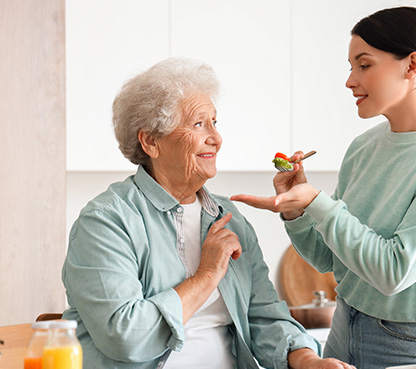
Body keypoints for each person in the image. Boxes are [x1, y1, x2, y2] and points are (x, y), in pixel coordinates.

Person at [231, 6, 416, 369]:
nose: (350, 80)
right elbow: (328, 258)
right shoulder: (364, 147)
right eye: (351, 67)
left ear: (412, 65)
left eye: (364, 65)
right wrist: (296, 209)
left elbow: (394, 272)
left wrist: (319, 203)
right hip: (345, 325)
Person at [61, 57, 355, 369]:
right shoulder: (106, 221)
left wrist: (308, 360)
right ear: (150, 141)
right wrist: (207, 275)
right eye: (198, 124)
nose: (216, 138)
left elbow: (264, 317)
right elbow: (125, 336)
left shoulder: (228, 217)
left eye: (215, 122)